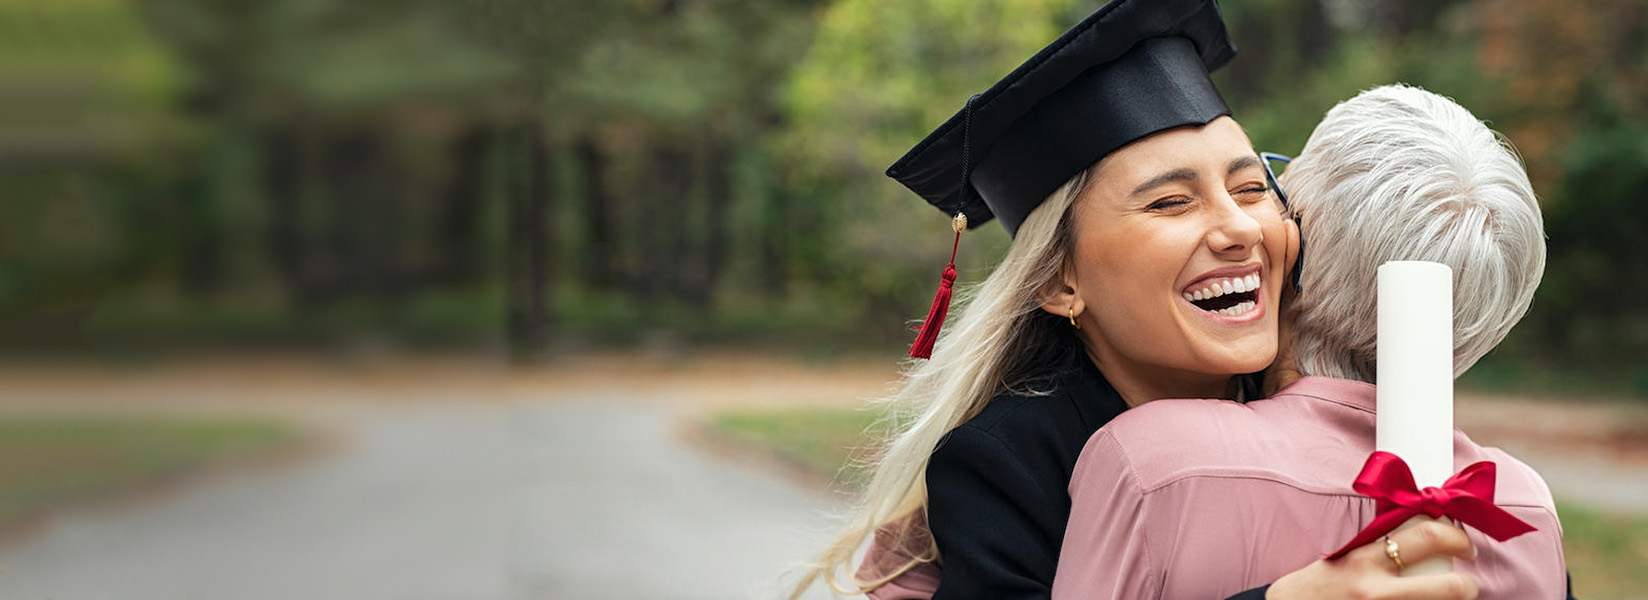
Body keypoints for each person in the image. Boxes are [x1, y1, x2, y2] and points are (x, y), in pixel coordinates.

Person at [790, 1, 1423, 598]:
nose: (1240, 230)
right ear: (1057, 283)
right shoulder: (1007, 468)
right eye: (1171, 202)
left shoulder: (1331, 407)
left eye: (1252, 188)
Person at [1051, 84, 1565, 599]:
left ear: (1301, 250)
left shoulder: (1153, 461)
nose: (1246, 227)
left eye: (1262, 189)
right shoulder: (1523, 511)